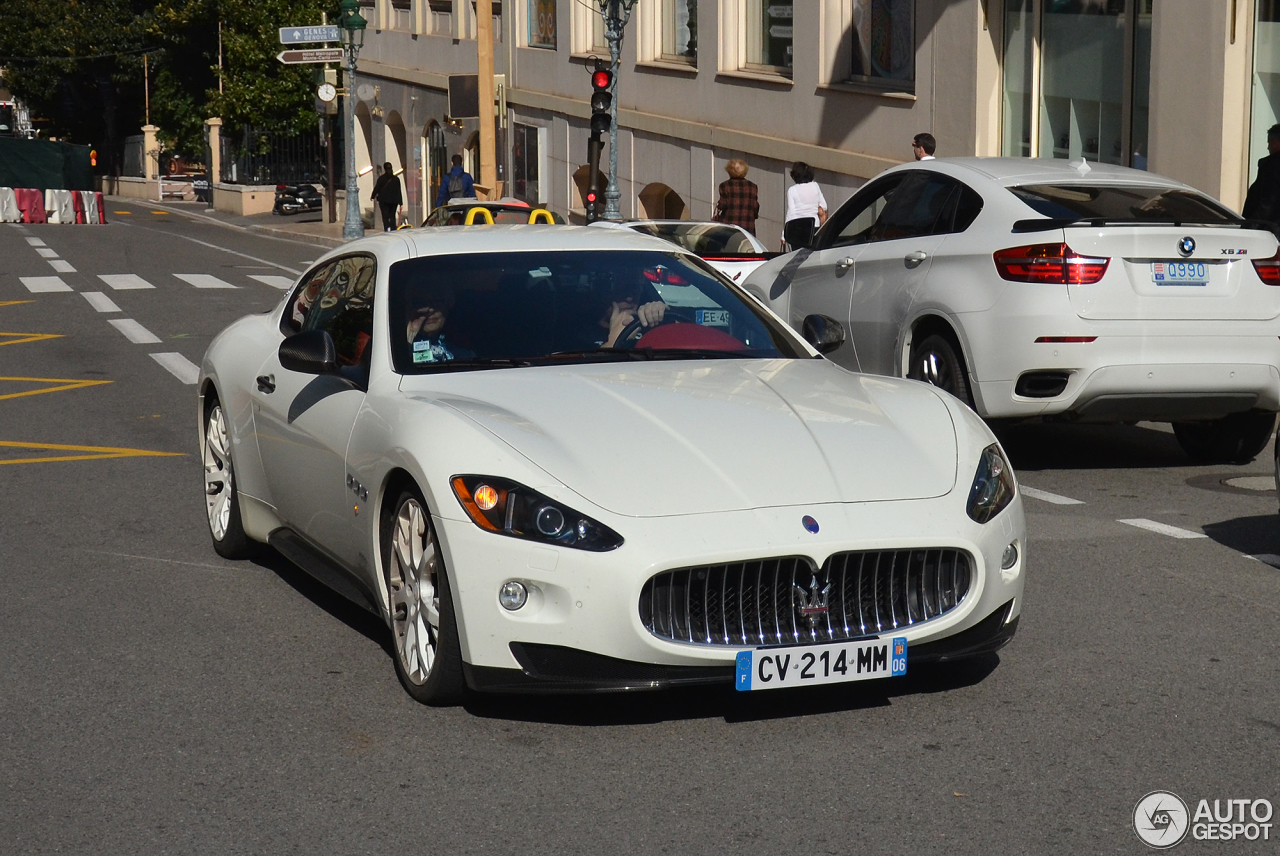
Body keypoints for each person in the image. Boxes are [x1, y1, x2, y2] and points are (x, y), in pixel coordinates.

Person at [405, 284, 473, 364]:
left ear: (448, 305)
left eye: (437, 301)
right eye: (419, 303)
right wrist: (408, 338)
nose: (429, 310)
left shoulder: (465, 353)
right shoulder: (394, 351)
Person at [598, 277, 667, 349]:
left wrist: (661, 315)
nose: (629, 298)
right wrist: (613, 342)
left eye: (635, 289)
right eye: (621, 290)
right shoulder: (586, 331)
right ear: (603, 292)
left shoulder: (647, 326)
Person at [783, 162, 827, 251]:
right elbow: (824, 206)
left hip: (798, 230)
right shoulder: (815, 185)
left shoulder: (792, 190)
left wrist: (784, 235)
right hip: (814, 226)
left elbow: (791, 213)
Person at [713, 158, 760, 235]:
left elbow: (723, 205)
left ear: (729, 170)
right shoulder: (752, 186)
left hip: (729, 226)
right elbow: (755, 207)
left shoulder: (725, 185)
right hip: (747, 226)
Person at [1243, 124, 1280, 224]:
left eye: (1269, 143)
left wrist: (1250, 226)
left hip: (1270, 230)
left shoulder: (1272, 166)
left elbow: (1268, 203)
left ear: (1275, 143)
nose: (1268, 147)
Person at [370, 163, 403, 232]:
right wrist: (401, 202)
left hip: (383, 200)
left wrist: (373, 196)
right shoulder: (396, 179)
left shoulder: (381, 179)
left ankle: (387, 228)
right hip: (394, 201)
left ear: (384, 169)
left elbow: (377, 188)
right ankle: (393, 228)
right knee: (392, 215)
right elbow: (398, 191)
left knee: (385, 216)